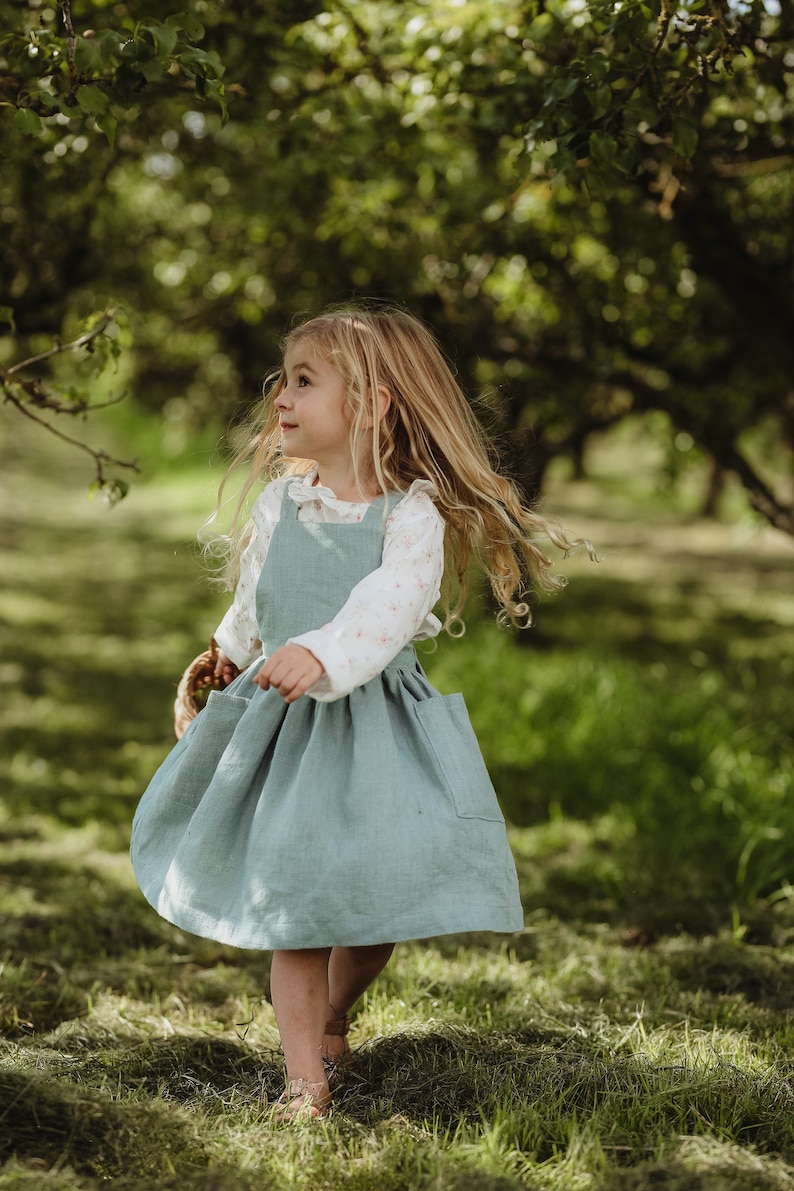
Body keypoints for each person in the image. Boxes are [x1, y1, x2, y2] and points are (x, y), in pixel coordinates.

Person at [130, 304, 592, 1121]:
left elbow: (390, 603)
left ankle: (339, 1009)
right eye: (282, 377)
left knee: (371, 911)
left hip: (371, 725)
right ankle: (305, 1086)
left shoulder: (409, 514)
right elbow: (256, 594)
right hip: (281, 726)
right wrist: (228, 650)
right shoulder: (282, 504)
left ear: (373, 401)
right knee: (297, 908)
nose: (281, 394)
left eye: (305, 379)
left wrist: (326, 653)